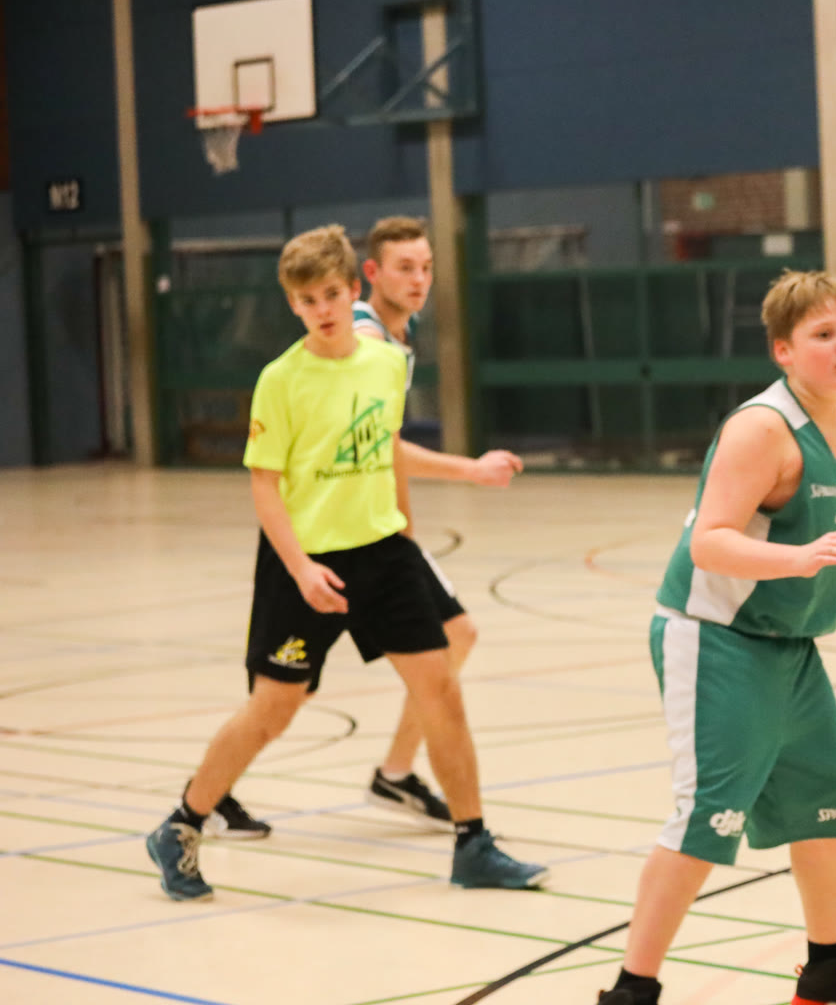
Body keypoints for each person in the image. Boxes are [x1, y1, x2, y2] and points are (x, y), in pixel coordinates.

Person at [579, 269, 836, 1005]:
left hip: (788, 641)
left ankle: (828, 966)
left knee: (826, 803)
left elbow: (832, 543)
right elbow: (711, 540)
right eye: (823, 334)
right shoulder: (762, 429)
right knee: (706, 815)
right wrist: (796, 559)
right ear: (783, 350)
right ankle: (624, 1001)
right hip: (716, 638)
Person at [144, 225, 548, 901]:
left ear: (352, 289)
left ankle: (473, 843)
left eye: (331, 294)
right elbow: (265, 486)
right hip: (306, 564)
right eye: (307, 300)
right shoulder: (280, 380)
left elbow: (383, 447)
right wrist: (302, 568)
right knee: (274, 710)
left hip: (381, 552)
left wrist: (466, 473)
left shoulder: (385, 363)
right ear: (293, 305)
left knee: (441, 687)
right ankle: (181, 824)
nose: (322, 309)